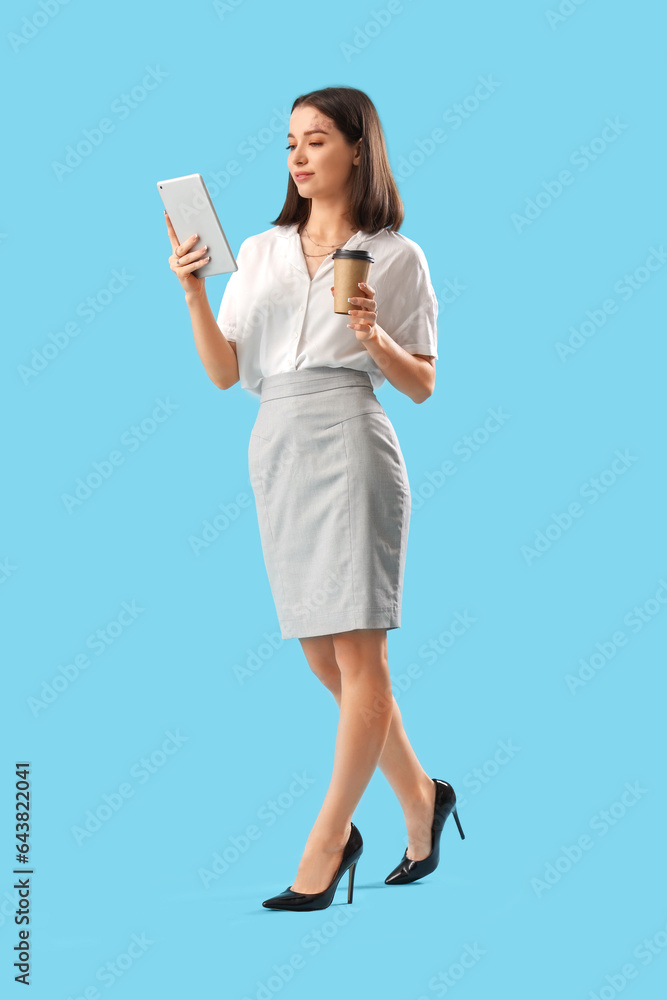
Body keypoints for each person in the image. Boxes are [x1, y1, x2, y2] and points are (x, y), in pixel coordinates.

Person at [164, 86, 464, 912]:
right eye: (289, 142)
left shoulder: (397, 256)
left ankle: (328, 844)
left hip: (351, 441)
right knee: (320, 659)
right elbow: (227, 373)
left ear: (358, 149)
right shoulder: (258, 251)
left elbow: (425, 385)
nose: (297, 156)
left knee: (362, 661)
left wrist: (373, 335)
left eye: (317, 140)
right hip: (276, 447)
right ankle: (424, 799)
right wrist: (192, 288)